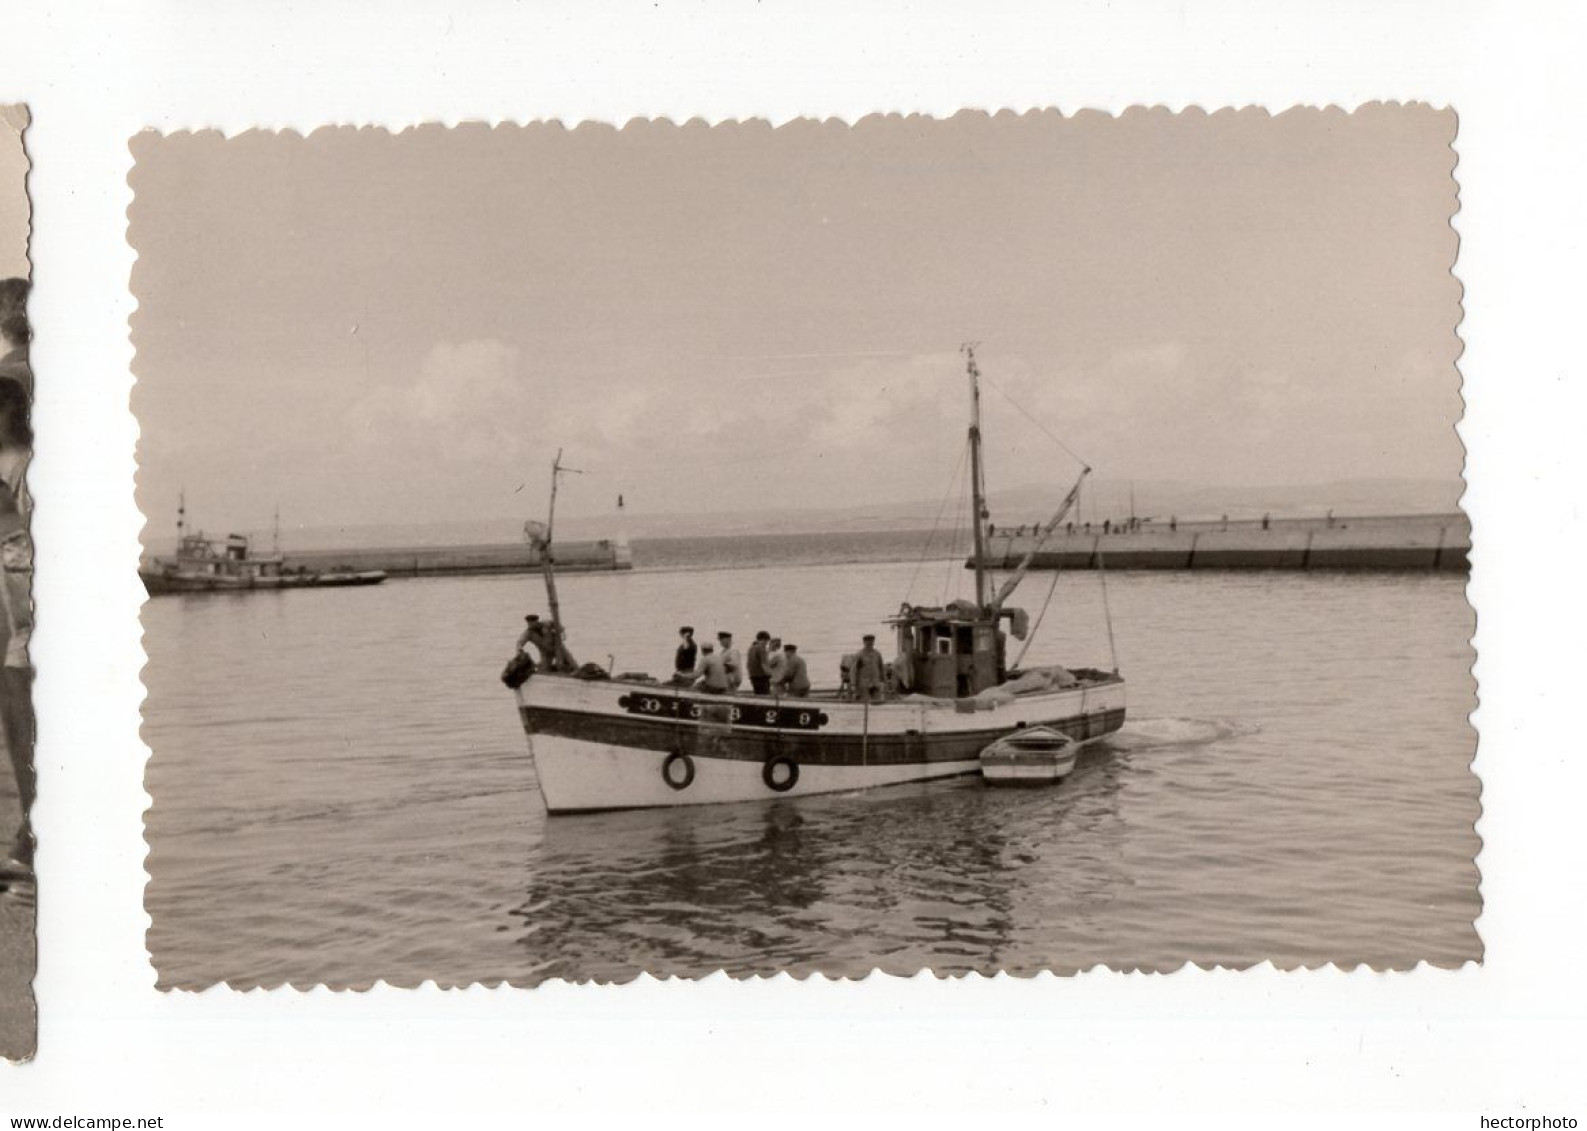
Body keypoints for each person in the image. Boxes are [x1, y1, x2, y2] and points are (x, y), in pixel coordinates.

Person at [0, 373, 33, 895]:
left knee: (26, 738)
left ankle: (34, 851)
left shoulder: (21, 474)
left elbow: (17, 558)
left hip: (23, 637)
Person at [853, 633, 887, 703]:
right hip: (864, 684)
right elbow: (854, 670)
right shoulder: (859, 655)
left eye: (871, 641)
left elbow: (881, 668)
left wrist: (884, 681)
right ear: (864, 642)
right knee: (865, 704)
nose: (870, 643)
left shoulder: (877, 654)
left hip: (875, 683)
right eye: (868, 641)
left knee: (877, 703)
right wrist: (854, 685)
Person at [746, 630, 772, 695]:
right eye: (766, 642)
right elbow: (764, 664)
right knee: (765, 697)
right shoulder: (761, 648)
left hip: (753, 676)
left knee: (757, 695)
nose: (766, 644)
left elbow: (748, 664)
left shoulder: (751, 648)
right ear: (763, 640)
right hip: (762, 677)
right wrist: (770, 675)